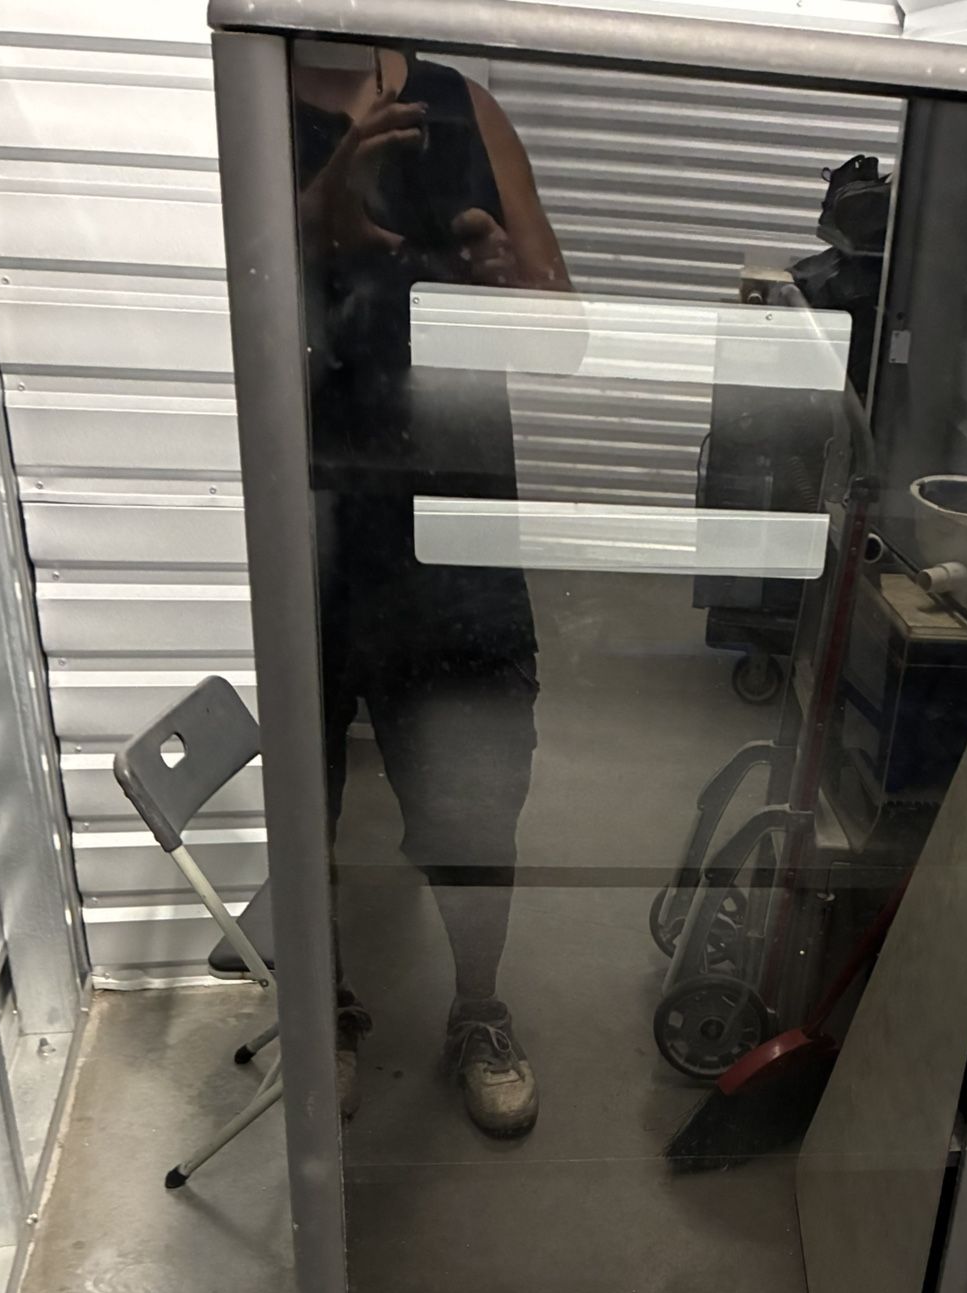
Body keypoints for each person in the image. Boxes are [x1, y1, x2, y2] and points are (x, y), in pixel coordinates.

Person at [292, 46, 570, 1137]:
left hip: (457, 512)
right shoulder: (248, 94)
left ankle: (480, 1009)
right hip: (307, 515)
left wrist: (503, 280)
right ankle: (322, 1008)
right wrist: (325, 211)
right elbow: (226, 305)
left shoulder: (461, 107)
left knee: (478, 784)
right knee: (305, 794)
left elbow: (563, 332)